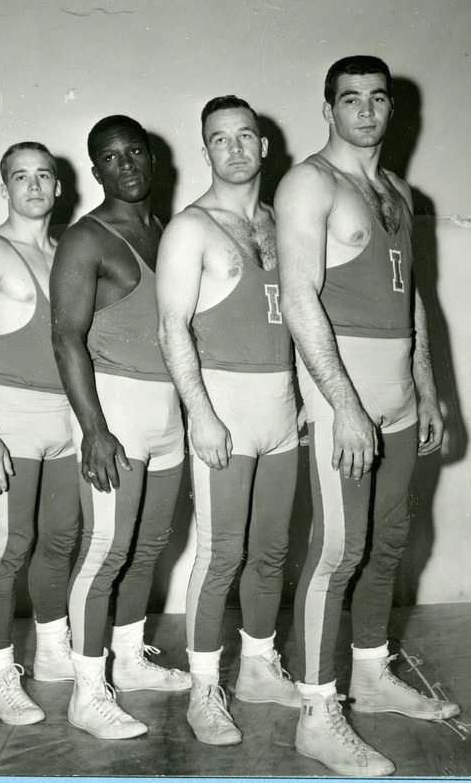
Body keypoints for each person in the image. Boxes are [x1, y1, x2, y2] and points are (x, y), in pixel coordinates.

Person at [274, 56, 460, 776]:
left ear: (391, 110)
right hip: (342, 397)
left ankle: (372, 675)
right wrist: (344, 405)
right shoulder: (309, 184)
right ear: (328, 108)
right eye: (350, 99)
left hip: (400, 399)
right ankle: (319, 715)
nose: (365, 110)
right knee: (337, 551)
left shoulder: (395, 189)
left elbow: (411, 298)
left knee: (389, 545)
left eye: (377, 99)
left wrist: (427, 389)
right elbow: (298, 298)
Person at [156, 96, 300, 747]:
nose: (236, 148)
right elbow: (171, 328)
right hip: (226, 412)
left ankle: (261, 669)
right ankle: (204, 689)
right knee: (222, 557)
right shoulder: (192, 228)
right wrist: (202, 415)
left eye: (247, 136)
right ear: (206, 150)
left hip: (282, 411)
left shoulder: (281, 223)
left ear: (264, 147)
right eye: (221, 139)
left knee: (272, 553)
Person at [50, 115, 190, 741]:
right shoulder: (87, 240)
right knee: (105, 551)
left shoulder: (171, 231)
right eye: (110, 157)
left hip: (170, 411)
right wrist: (94, 428)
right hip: (117, 411)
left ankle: (130, 661)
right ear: (96, 168)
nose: (126, 164)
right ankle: (87, 690)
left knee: (150, 546)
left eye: (136, 151)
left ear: (153, 159)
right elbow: (65, 338)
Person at [0, 142, 80, 726]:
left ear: (58, 186)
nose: (33, 186)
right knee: (9, 547)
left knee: (60, 541)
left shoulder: (67, 252)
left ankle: (53, 653)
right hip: (13, 417)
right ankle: (0, 674)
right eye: (20, 177)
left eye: (43, 176)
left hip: (68, 419)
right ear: (4, 188)